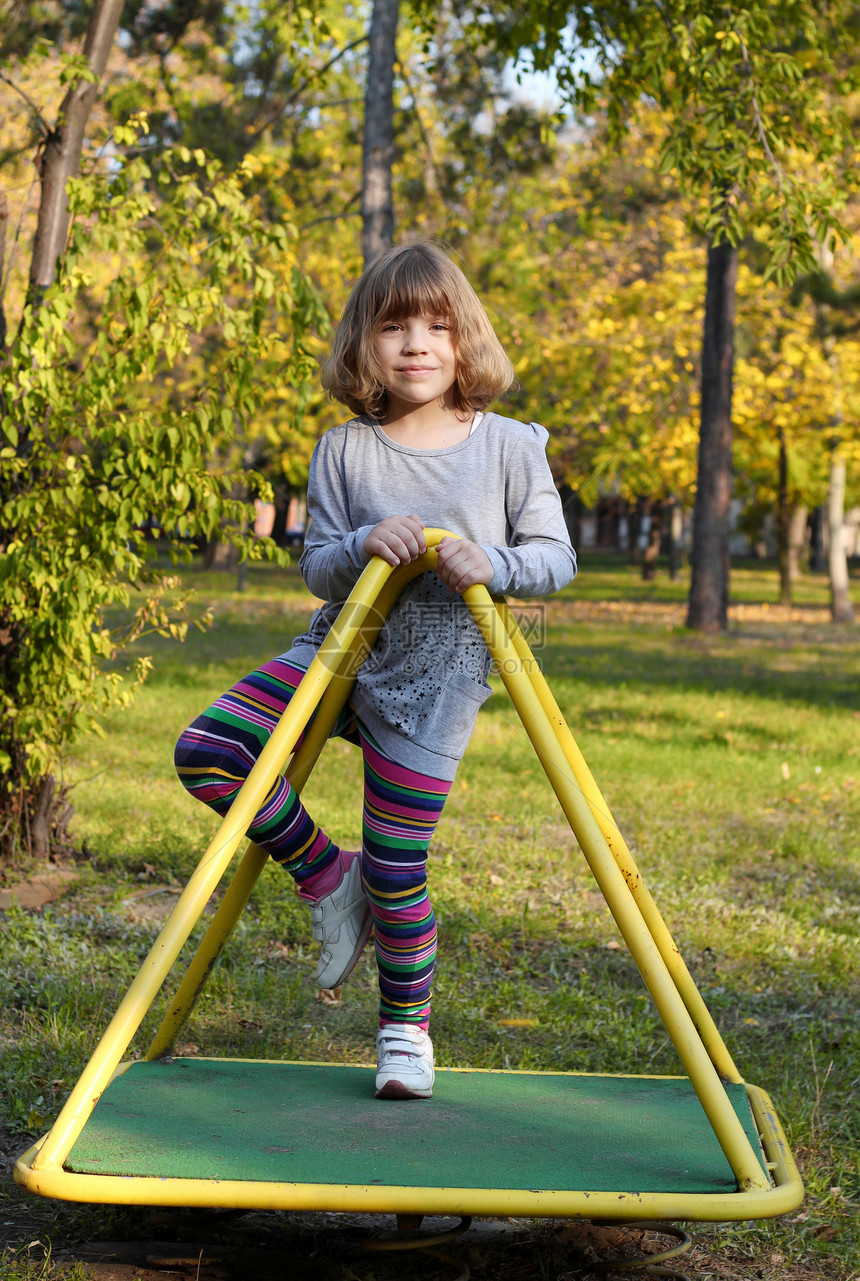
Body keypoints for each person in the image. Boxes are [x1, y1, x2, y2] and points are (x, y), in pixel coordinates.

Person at [174, 241, 577, 1101]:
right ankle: (327, 874)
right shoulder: (346, 450)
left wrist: (492, 561)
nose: (417, 344)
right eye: (394, 327)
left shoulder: (507, 446)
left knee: (399, 865)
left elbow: (555, 557)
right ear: (366, 345)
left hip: (441, 668)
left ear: (467, 341)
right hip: (345, 647)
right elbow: (319, 562)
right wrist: (361, 542)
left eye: (437, 325)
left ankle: (405, 1033)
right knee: (210, 748)